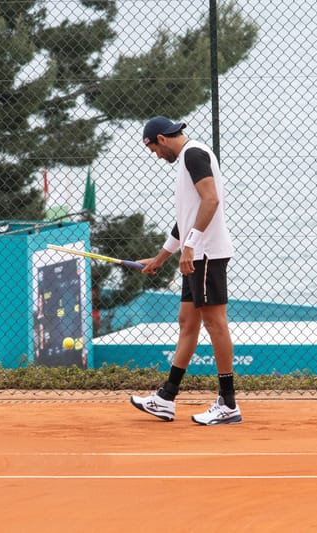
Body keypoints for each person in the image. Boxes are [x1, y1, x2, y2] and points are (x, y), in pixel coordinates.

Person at [129, 116, 242, 425]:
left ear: (160, 139)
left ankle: (228, 403)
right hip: (196, 255)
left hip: (206, 255)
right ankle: (166, 398)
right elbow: (185, 219)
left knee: (215, 324)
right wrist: (161, 257)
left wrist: (191, 246)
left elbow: (211, 200)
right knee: (187, 321)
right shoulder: (187, 160)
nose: (155, 155)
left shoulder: (193, 154)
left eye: (152, 149)